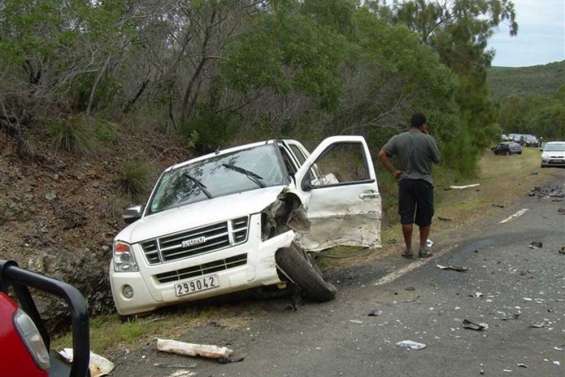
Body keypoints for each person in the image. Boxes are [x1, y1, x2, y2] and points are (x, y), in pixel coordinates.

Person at [377, 113, 441, 258]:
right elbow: (437, 159)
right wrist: (428, 137)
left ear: (411, 124)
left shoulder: (398, 138)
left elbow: (382, 154)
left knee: (406, 216)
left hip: (405, 182)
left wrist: (394, 171)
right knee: (425, 216)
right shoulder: (428, 139)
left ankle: (408, 249)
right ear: (423, 125)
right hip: (424, 182)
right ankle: (423, 248)